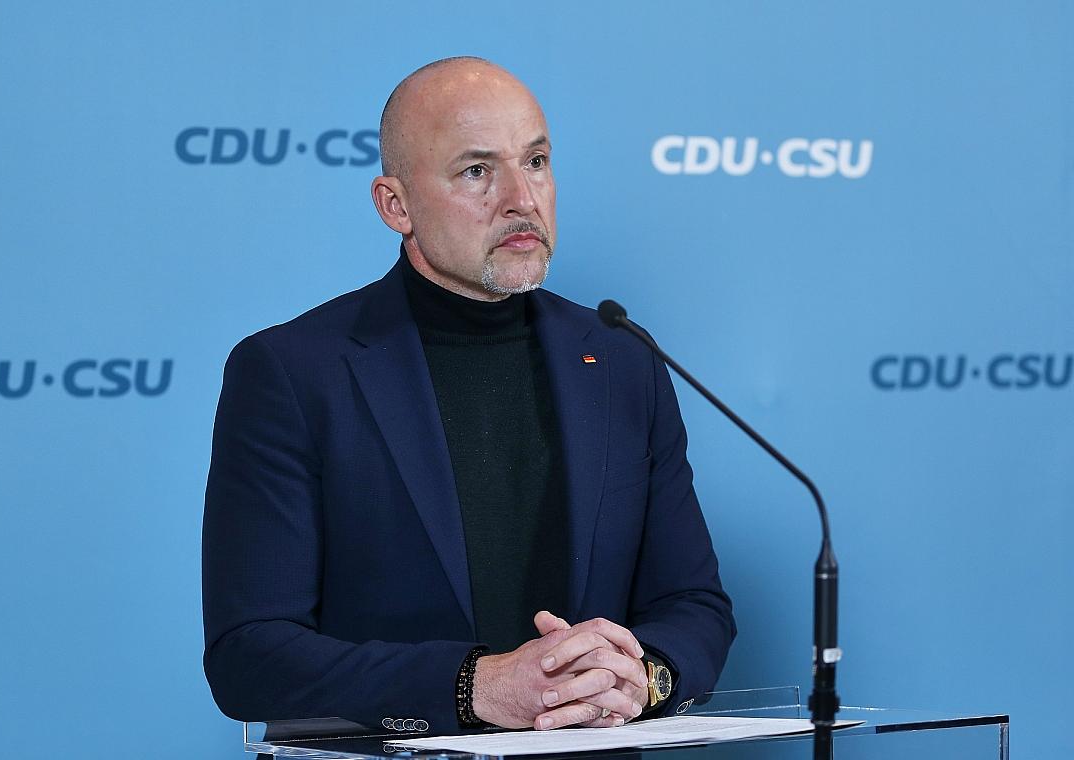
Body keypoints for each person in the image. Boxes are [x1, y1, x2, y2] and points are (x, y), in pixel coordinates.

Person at [202, 56, 734, 734]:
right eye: (477, 170)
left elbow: (693, 606)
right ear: (395, 205)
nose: (522, 198)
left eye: (536, 162)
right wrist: (472, 686)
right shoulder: (292, 372)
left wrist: (644, 675)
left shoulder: (621, 358)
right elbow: (249, 655)